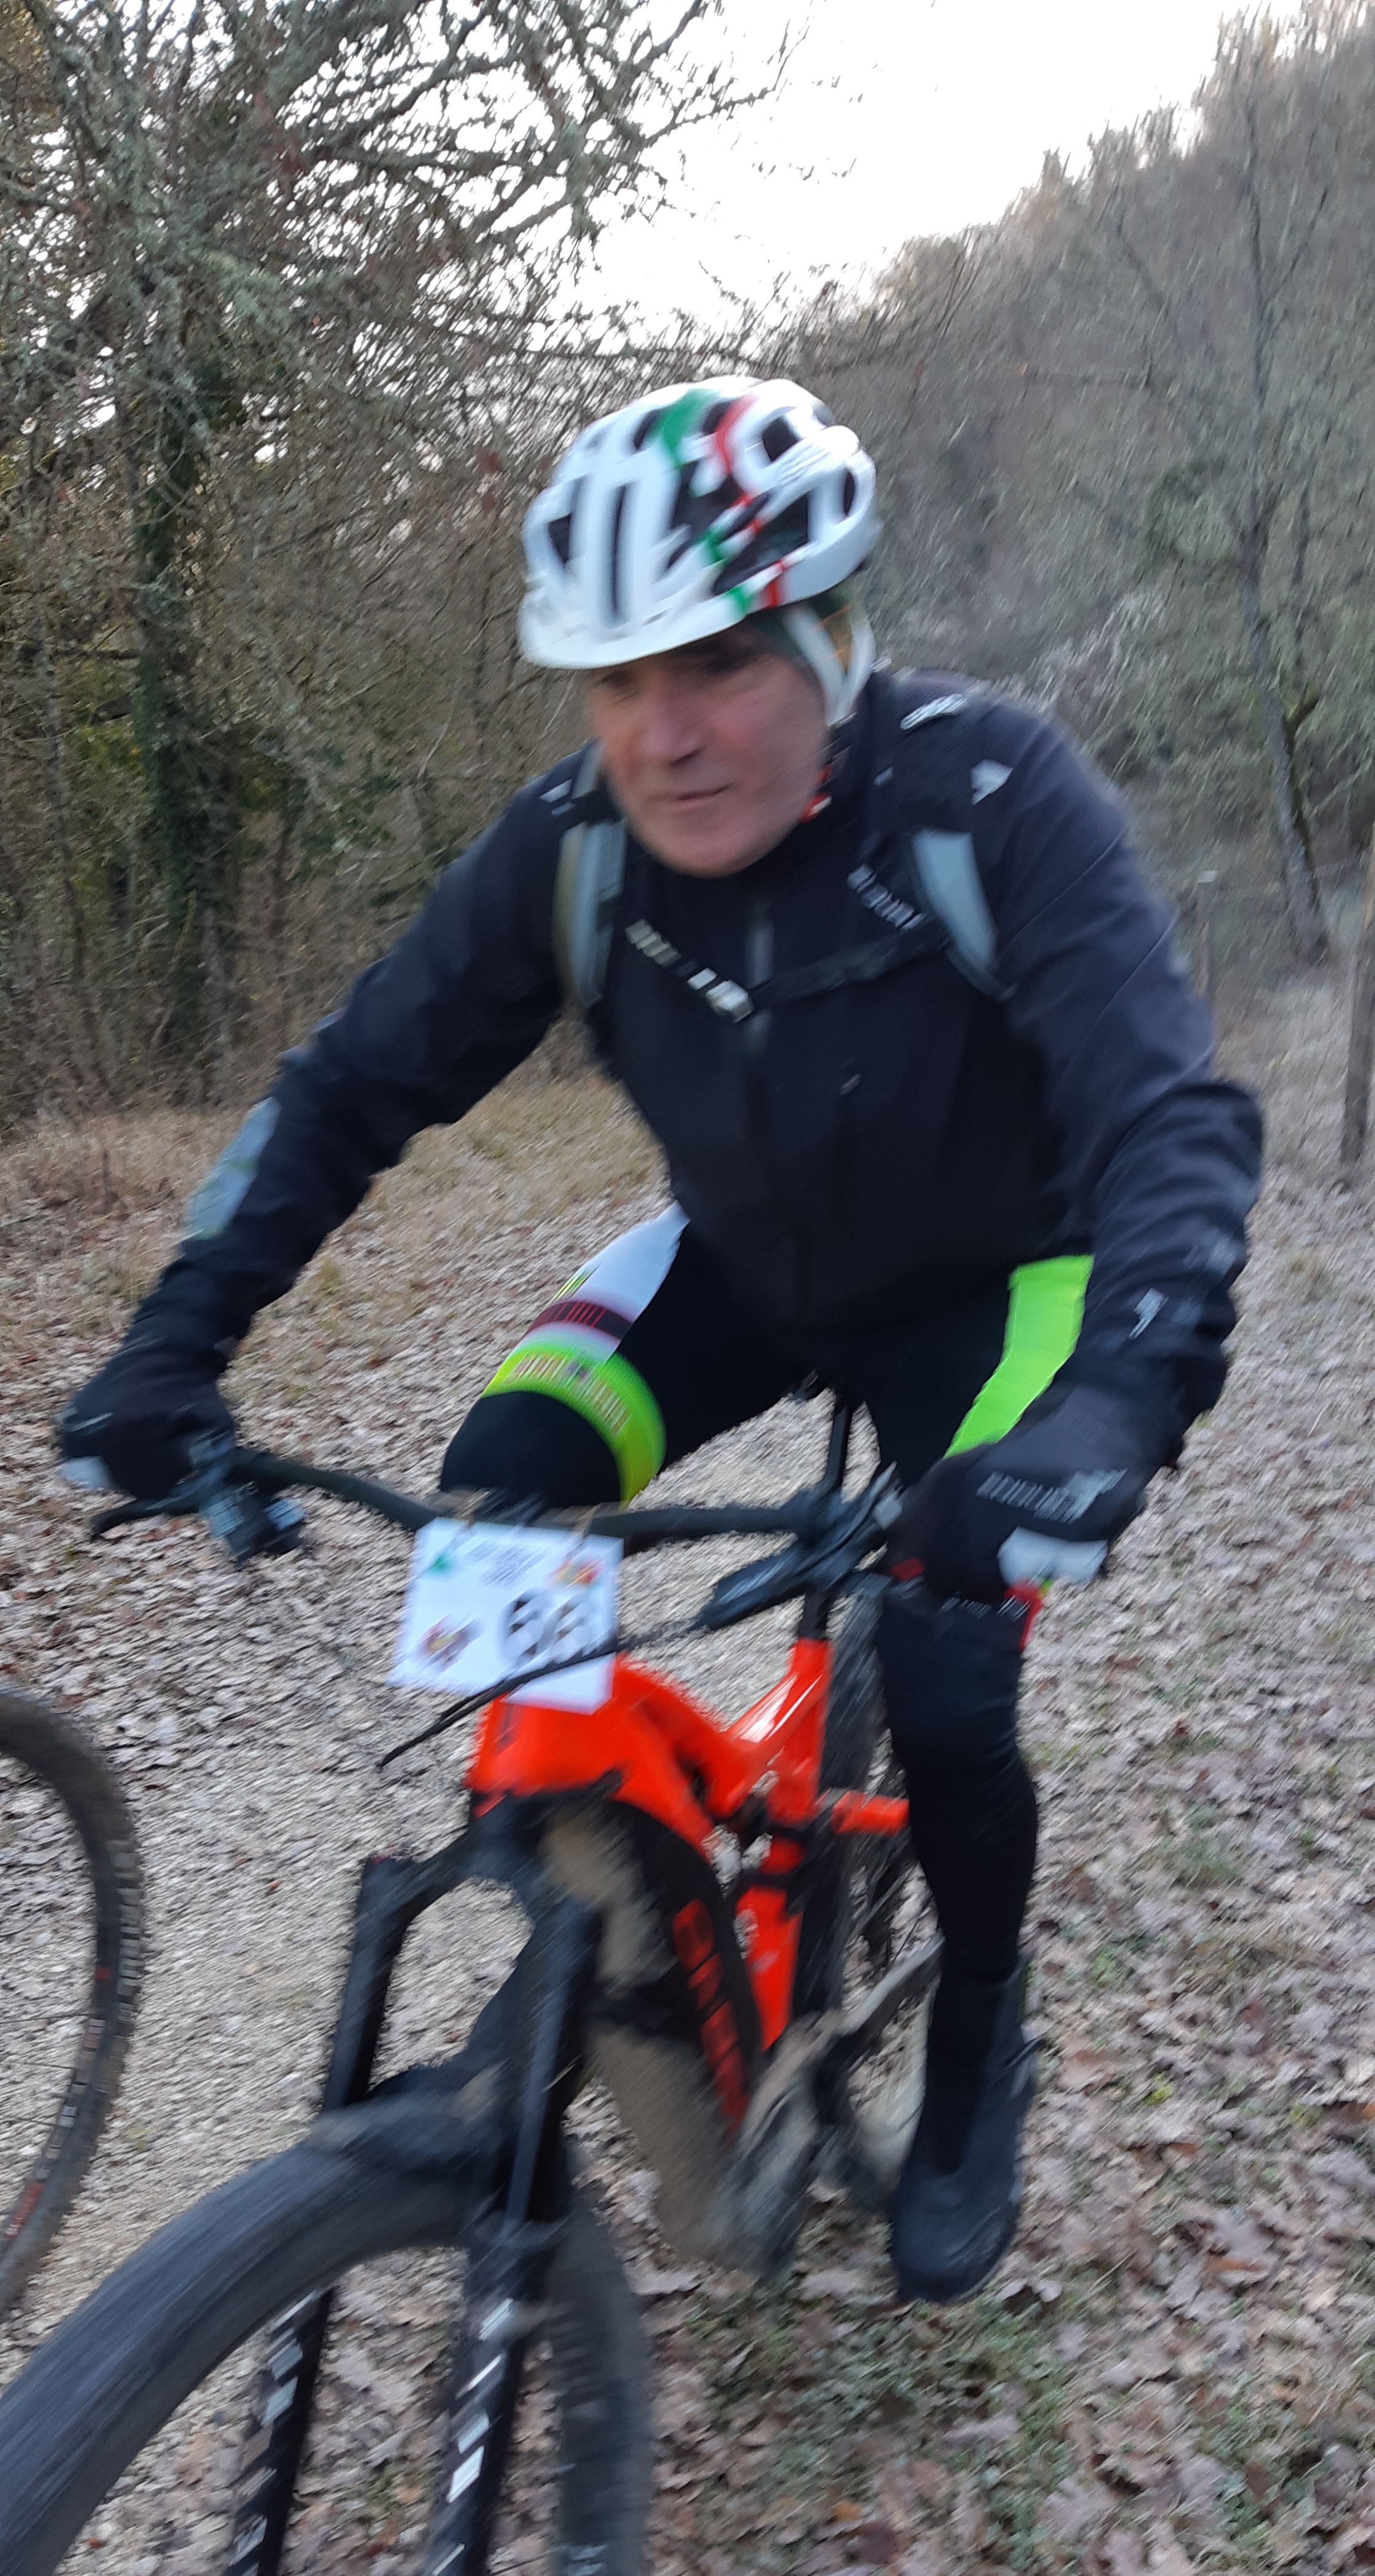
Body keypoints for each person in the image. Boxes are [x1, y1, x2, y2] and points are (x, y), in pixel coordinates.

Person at [57, 377, 1263, 2303]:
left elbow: (1167, 1119)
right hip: (745, 1270)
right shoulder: (576, 850)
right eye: (615, 681)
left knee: (949, 1657)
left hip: (1003, 1289)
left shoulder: (987, 796)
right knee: (500, 1499)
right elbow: (351, 1085)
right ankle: (600, 1911)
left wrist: (1124, 1389)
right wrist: (175, 1340)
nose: (662, 733)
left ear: (831, 646)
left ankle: (978, 2027)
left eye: (716, 663)